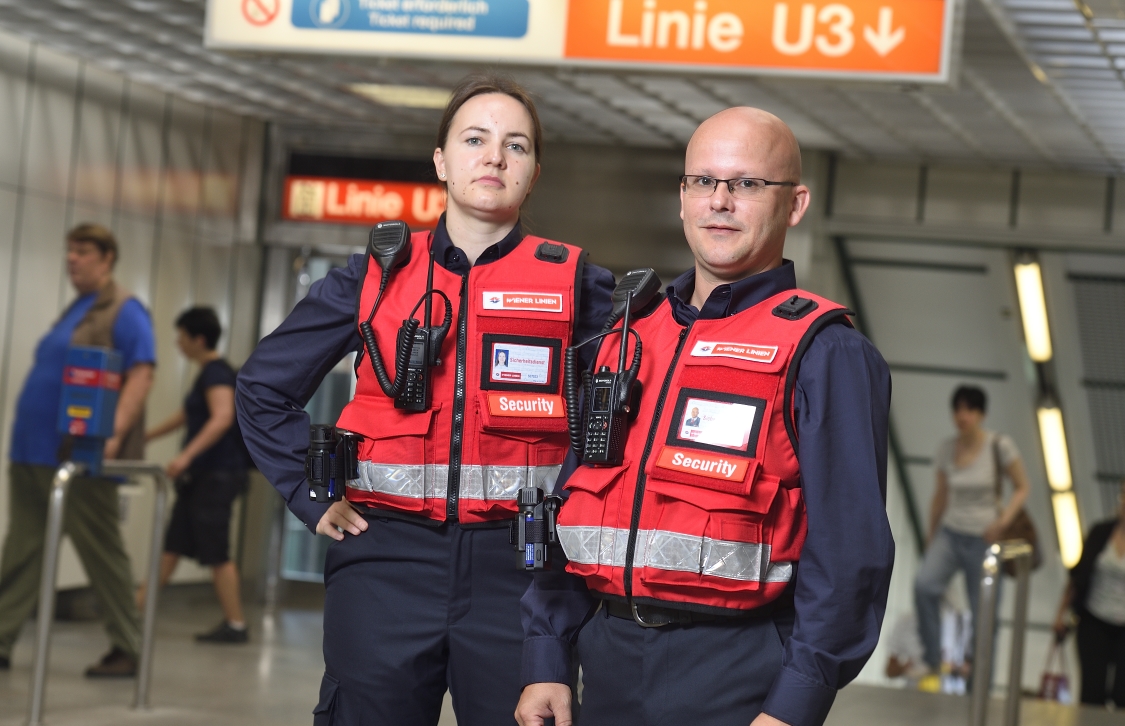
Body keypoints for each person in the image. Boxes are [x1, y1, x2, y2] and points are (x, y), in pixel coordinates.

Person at [236, 74, 614, 725]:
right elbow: (262, 388)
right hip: (383, 561)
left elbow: (634, 413)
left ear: (533, 171)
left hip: (522, 571)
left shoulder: (577, 284)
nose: (493, 157)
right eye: (475, 139)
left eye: (514, 145)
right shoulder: (374, 276)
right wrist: (310, 494)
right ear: (441, 160)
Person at [515, 107, 893, 726]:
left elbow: (849, 553)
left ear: (794, 205)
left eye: (746, 184)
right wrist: (546, 656)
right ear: (682, 198)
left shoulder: (826, 353)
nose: (720, 201)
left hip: (738, 676)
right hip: (606, 662)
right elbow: (571, 509)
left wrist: (796, 703)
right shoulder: (629, 335)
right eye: (703, 182)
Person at [0, 223, 155, 677]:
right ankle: (2, 639)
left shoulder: (124, 310)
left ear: (107, 259)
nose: (72, 259)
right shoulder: (78, 307)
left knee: (101, 552)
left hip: (79, 455)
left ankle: (127, 647)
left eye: (83, 252)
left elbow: (142, 373)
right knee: (22, 549)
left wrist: (112, 435)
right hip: (33, 451)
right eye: (69, 251)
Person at [139, 307, 250, 643]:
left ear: (198, 339)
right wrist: (147, 436)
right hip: (203, 476)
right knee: (172, 545)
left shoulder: (216, 373)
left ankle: (236, 624)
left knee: (216, 551)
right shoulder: (209, 373)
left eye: (182, 336)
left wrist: (185, 456)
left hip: (215, 476)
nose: (177, 343)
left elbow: (221, 418)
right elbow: (188, 415)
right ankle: (136, 610)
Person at [913, 385, 1030, 691]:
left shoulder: (999, 446)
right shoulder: (945, 449)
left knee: (985, 619)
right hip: (951, 534)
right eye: (958, 409)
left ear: (981, 414)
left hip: (985, 540)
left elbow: (1022, 487)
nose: (962, 416)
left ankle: (980, 689)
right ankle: (933, 659)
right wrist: (930, 537)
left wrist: (1001, 523)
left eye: (970, 409)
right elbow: (940, 496)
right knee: (924, 585)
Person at [1053, 479, 1125, 707]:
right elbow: (1078, 576)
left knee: (1122, 694)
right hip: (1094, 620)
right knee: (1092, 692)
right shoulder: (1100, 532)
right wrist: (1061, 614)